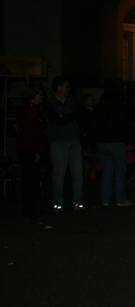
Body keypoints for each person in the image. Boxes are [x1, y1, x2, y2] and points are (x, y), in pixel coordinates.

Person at [42, 75, 84, 212]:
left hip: (73, 139)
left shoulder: (71, 100)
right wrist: (67, 117)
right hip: (58, 141)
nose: (68, 89)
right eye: (66, 86)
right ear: (59, 87)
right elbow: (54, 120)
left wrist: (63, 116)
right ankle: (58, 201)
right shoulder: (49, 102)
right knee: (59, 173)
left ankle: (77, 200)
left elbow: (78, 115)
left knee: (78, 172)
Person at [89, 92, 135, 207]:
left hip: (102, 144)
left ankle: (105, 199)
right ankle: (120, 199)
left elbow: (92, 130)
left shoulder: (97, 113)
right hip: (117, 144)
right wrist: (134, 142)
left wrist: (92, 147)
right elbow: (127, 127)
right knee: (119, 173)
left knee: (107, 172)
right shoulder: (119, 112)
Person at [16, 84, 47, 218]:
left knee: (33, 179)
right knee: (30, 179)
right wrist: (35, 151)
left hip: (31, 147)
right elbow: (29, 132)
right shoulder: (28, 110)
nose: (42, 97)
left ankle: (31, 206)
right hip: (28, 149)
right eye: (40, 94)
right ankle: (28, 208)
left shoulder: (34, 109)